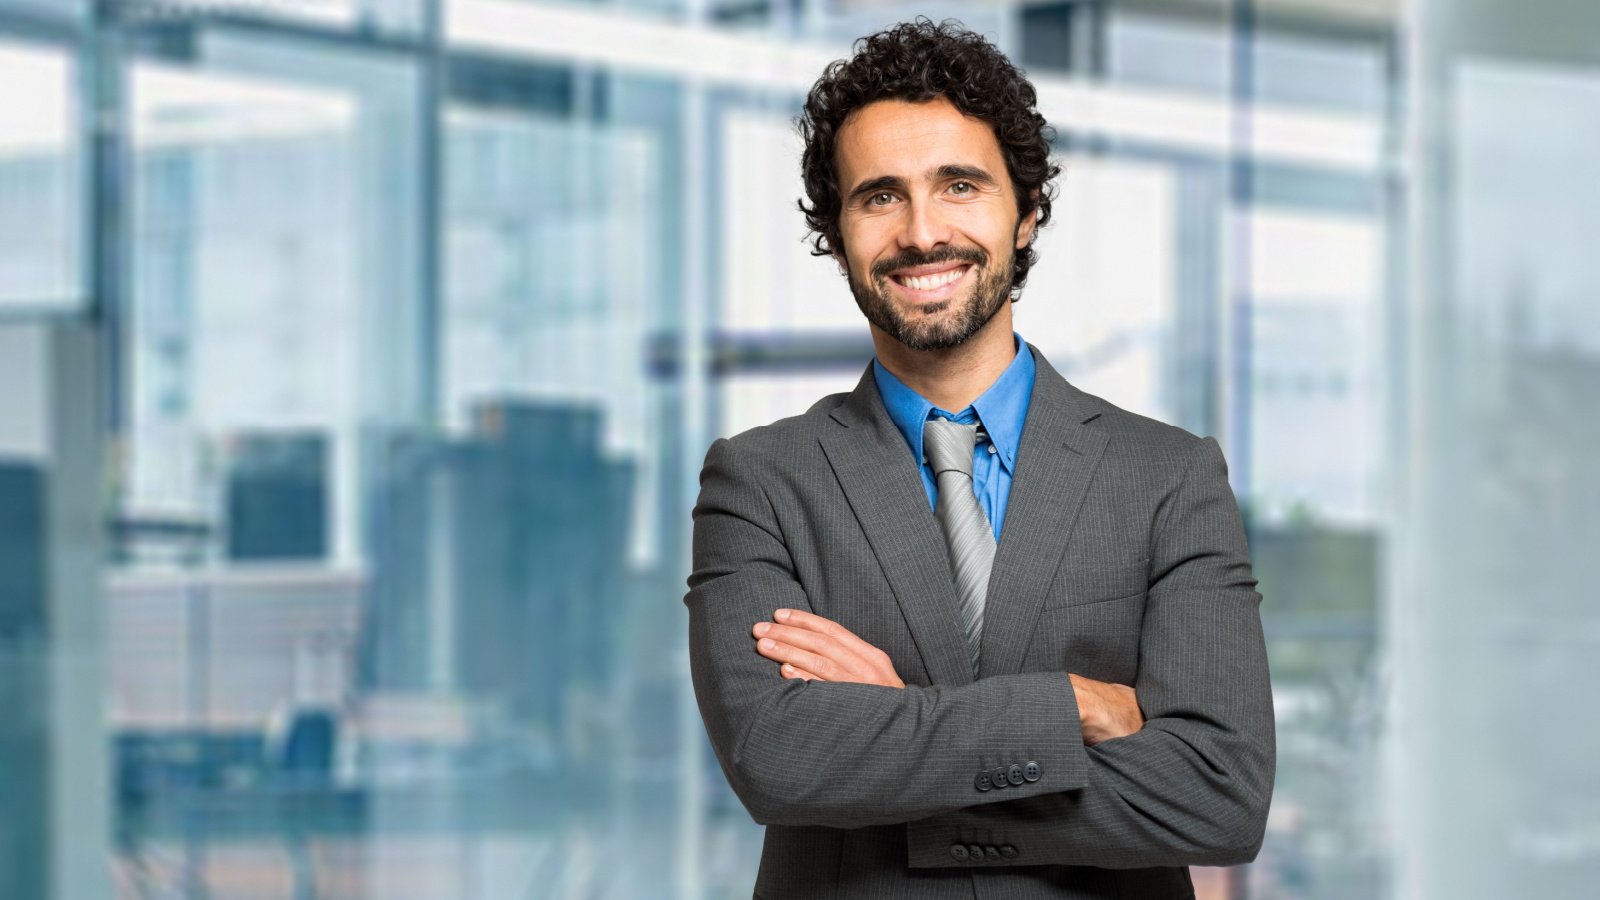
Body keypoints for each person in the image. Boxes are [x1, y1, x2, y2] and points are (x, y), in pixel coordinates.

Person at [684, 18, 1275, 899]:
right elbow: (780, 760)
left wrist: (891, 735)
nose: (922, 233)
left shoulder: (1168, 478)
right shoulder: (761, 483)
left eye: (960, 185)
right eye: (879, 196)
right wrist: (1072, 707)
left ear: (1026, 212)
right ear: (838, 230)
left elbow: (1219, 798)